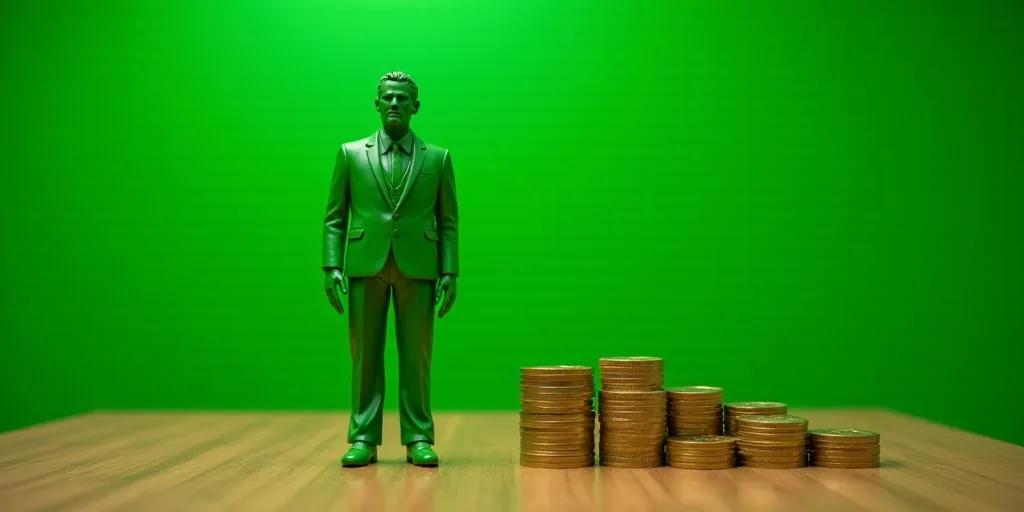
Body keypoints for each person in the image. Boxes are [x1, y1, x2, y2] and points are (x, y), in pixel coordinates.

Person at [321, 71, 459, 467]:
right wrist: (332, 265)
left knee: (416, 357)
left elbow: (448, 220)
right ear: (377, 104)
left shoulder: (438, 158)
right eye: (388, 98)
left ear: (415, 107)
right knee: (365, 356)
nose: (395, 104)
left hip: (419, 267)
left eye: (403, 98)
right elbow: (335, 217)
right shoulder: (350, 154)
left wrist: (450, 271)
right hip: (366, 264)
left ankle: (418, 436)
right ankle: (363, 436)